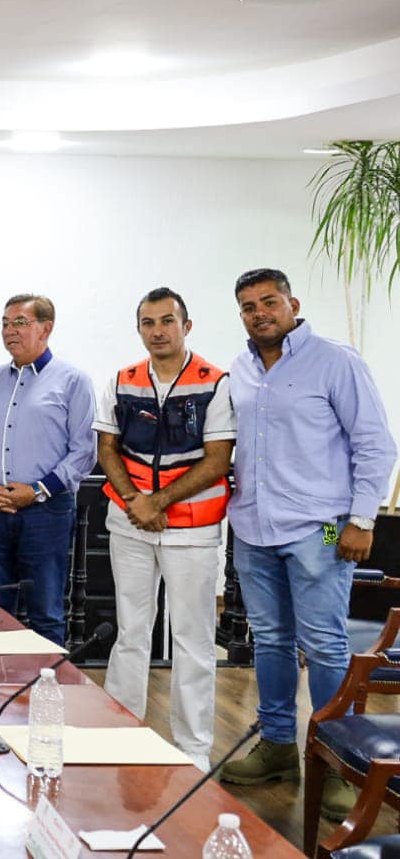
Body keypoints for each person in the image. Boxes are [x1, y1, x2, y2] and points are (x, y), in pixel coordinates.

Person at [219, 268, 397, 819]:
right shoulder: (241, 370)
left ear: (292, 303)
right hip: (253, 527)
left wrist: (362, 518)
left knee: (322, 641)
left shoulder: (335, 360)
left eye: (269, 302)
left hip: (321, 526)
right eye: (248, 306)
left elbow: (375, 443)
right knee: (269, 641)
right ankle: (277, 746)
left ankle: (336, 758)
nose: (259, 313)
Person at [94, 287, 235, 767]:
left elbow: (217, 461)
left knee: (192, 639)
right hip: (130, 522)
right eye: (148, 323)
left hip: (191, 530)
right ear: (139, 329)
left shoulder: (217, 382)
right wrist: (137, 502)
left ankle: (193, 749)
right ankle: (120, 731)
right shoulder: (122, 380)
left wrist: (159, 502)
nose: (158, 331)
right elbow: (107, 449)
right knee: (131, 632)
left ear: (186, 326)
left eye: (167, 321)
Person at [0, 293, 95, 645]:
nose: (10, 331)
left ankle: (48, 697)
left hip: (45, 513)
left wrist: (36, 490)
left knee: (45, 612)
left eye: (20, 322)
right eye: (5, 323)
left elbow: (84, 451)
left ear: (46, 328)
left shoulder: (73, 380)